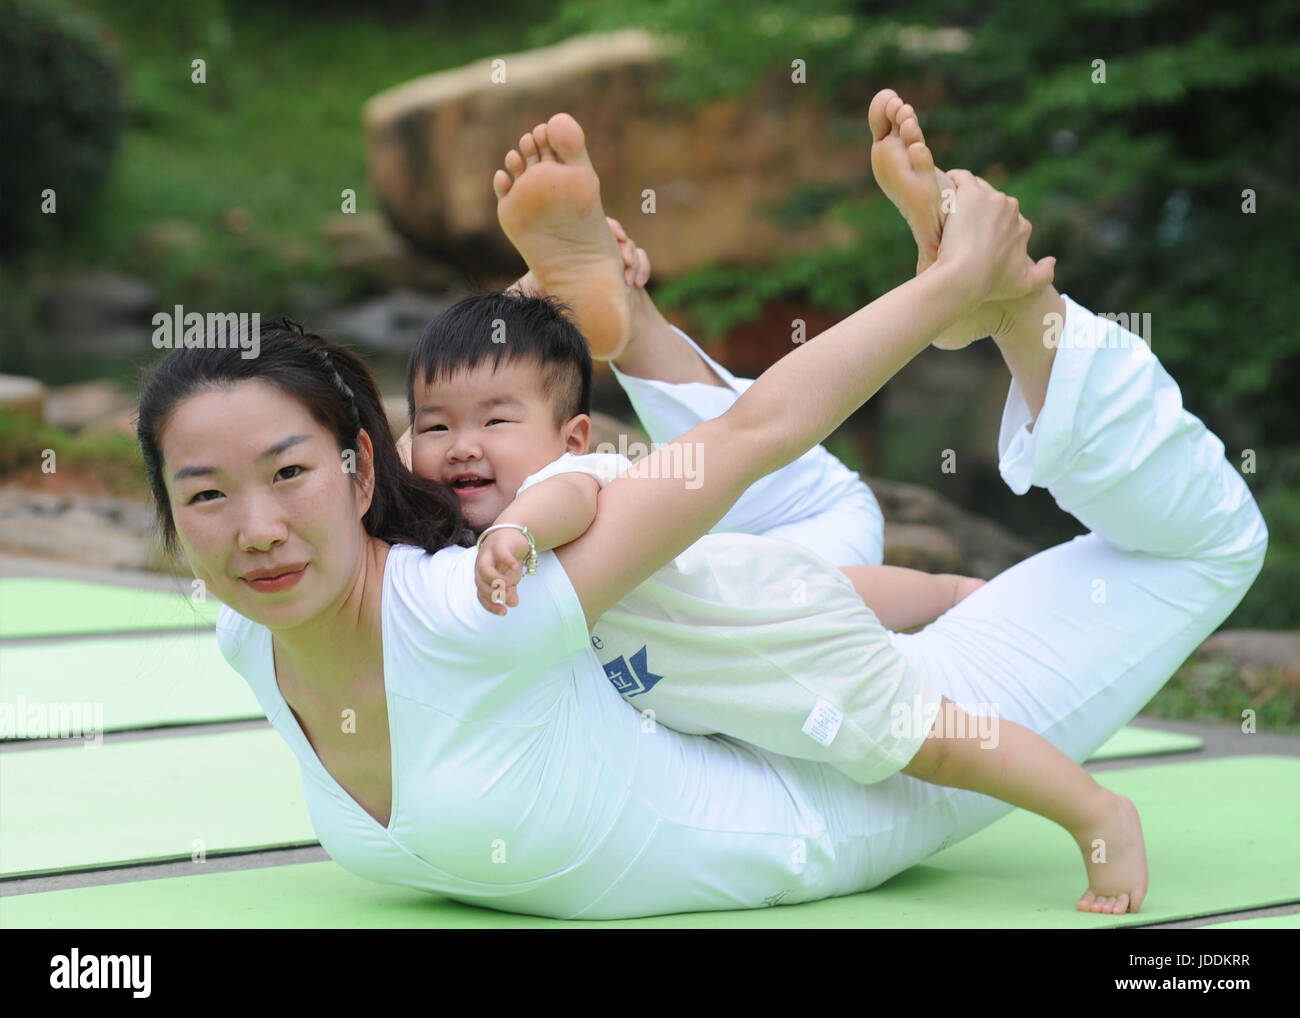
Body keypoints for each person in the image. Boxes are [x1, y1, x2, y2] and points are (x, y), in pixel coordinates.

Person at [137, 98, 1266, 922]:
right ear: (172, 515)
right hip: (723, 656)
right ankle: (621, 325)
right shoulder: (253, 623)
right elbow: (472, 461)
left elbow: (749, 437)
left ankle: (1013, 310)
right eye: (206, 494)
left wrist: (941, 295)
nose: (256, 530)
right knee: (803, 522)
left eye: (288, 474)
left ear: (356, 472)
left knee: (1211, 543)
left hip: (845, 782)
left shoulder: (478, 608)